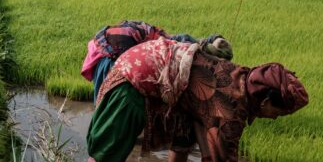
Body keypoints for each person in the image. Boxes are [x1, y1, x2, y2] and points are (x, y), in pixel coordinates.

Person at [86, 37, 308, 162]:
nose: (274, 118)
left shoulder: (239, 78)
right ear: (266, 101)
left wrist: (206, 157)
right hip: (135, 77)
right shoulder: (230, 108)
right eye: (277, 113)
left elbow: (202, 115)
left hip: (159, 68)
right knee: (108, 154)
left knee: (183, 132)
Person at [81, 20, 233, 100]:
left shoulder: (167, 44)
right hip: (117, 51)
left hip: (117, 46)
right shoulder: (169, 47)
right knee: (115, 96)